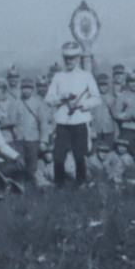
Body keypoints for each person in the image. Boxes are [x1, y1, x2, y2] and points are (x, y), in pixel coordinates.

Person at [43, 41, 102, 186]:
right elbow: (48, 99)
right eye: (66, 59)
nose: (69, 61)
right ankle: (59, 185)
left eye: (72, 58)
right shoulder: (58, 76)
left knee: (79, 155)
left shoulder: (86, 75)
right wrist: (61, 98)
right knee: (58, 156)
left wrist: (82, 104)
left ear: (77, 59)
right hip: (63, 121)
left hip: (80, 120)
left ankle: (80, 184)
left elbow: (97, 98)